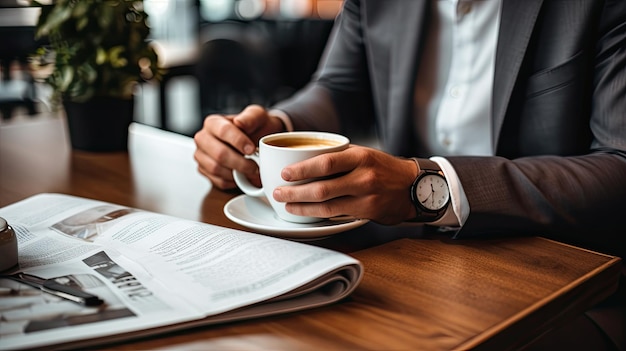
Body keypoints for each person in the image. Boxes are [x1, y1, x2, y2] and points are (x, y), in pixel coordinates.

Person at [194, 1, 625, 349]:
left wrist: (421, 186)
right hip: (406, 258)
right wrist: (278, 130)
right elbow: (339, 87)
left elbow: (618, 165)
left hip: (567, 279)